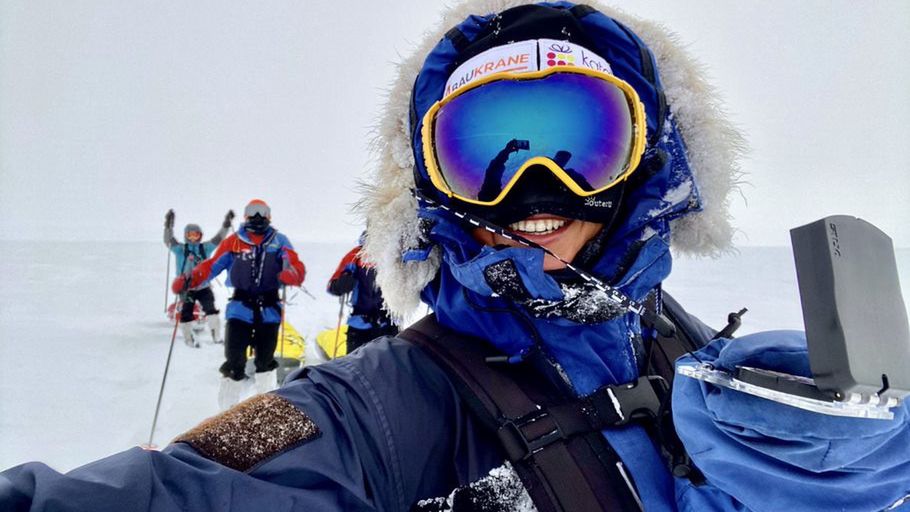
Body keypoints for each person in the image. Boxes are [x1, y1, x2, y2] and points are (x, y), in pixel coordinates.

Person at [2, 3, 909, 511]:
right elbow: (183, 492)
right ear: (430, 188)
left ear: (648, 165)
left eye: (583, 143)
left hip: (271, 305)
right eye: (486, 155)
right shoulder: (377, 410)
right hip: (274, 321)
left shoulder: (682, 345)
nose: (537, 189)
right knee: (247, 359)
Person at [173, 199, 306, 409]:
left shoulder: (279, 241)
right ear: (245, 216)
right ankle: (226, 413)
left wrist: (293, 274)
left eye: (262, 212)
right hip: (240, 309)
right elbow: (211, 266)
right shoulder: (234, 242)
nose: (257, 216)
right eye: (252, 212)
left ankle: (266, 411)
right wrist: (190, 279)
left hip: (269, 310)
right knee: (234, 362)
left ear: (269, 216)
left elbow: (294, 264)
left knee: (265, 362)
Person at [163, 209, 233, 346]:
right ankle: (189, 339)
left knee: (211, 309)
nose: (193, 238)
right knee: (186, 312)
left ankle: (216, 337)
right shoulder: (180, 249)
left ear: (200, 236)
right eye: (190, 235)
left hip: (203, 286)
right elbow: (168, 240)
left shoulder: (205, 248)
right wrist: (168, 226)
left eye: (196, 235)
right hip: (186, 288)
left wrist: (226, 225)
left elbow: (219, 238)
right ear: (186, 236)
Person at [326, 235, 398, 354]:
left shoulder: (396, 253)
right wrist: (340, 284)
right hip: (360, 326)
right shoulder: (356, 255)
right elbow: (331, 286)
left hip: (389, 324)